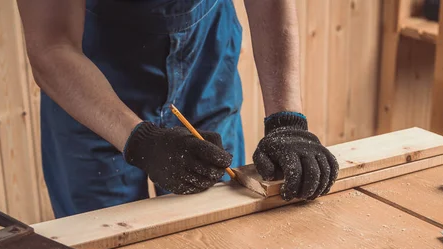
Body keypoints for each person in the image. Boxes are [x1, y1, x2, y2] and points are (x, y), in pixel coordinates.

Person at [17, 0, 339, 218]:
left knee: (221, 227)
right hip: (90, 72)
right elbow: (52, 46)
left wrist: (287, 121)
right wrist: (140, 140)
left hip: (205, 51)